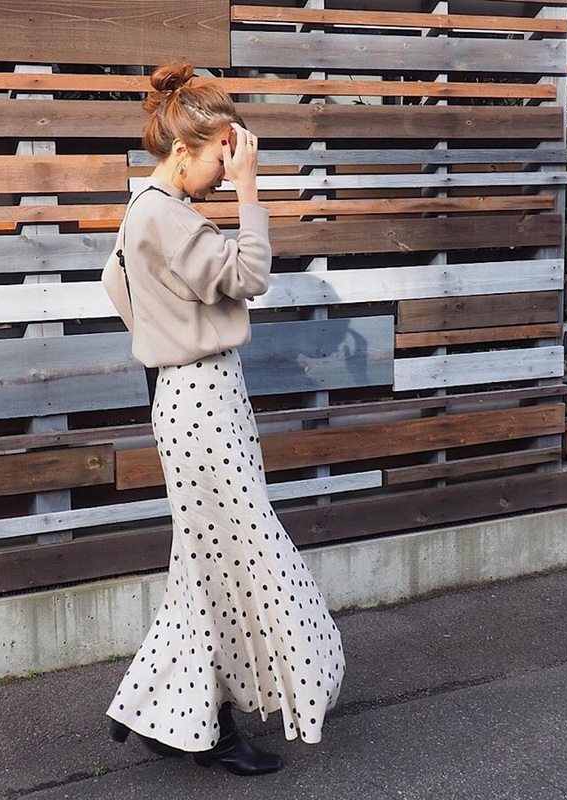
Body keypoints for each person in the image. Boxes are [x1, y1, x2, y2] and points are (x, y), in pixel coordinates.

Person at [101, 60, 345, 777]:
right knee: (242, 552)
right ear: (185, 149)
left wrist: (163, 336)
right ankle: (206, 717)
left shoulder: (146, 208)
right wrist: (249, 191)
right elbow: (250, 275)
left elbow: (113, 282)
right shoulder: (165, 213)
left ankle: (169, 711)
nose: (224, 170)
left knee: (205, 562)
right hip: (202, 398)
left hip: (188, 396)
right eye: (220, 156)